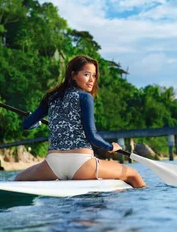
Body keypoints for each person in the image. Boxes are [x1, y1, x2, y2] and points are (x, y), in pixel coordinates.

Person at [15, 55, 146, 188]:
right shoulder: (85, 97)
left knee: (18, 179)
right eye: (86, 74)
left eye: (94, 76)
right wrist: (111, 147)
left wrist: (36, 122)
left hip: (53, 165)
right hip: (81, 164)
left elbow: (27, 124)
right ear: (73, 75)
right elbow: (92, 136)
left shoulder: (51, 97)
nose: (91, 80)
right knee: (132, 174)